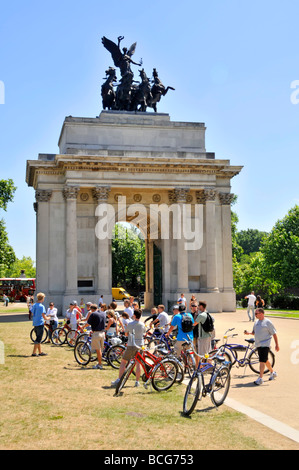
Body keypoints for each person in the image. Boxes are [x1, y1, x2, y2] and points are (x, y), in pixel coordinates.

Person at [244, 307, 279, 385]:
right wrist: (249, 333)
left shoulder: (268, 322)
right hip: (258, 344)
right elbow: (254, 332)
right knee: (265, 360)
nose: (255, 315)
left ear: (261, 314)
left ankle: (260, 378)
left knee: (262, 361)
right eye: (255, 313)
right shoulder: (256, 322)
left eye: (256, 313)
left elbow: (274, 333)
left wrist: (277, 344)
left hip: (265, 344)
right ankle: (273, 373)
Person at [111, 309, 145, 388]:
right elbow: (143, 333)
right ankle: (137, 381)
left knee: (123, 361)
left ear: (135, 315)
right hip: (140, 344)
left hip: (131, 344)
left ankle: (119, 379)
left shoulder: (130, 324)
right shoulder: (142, 324)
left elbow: (126, 334)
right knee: (138, 363)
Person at [81, 304, 106, 370]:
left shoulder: (93, 314)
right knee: (100, 349)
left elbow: (88, 323)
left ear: (91, 309)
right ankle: (99, 363)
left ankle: (100, 364)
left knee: (98, 350)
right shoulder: (103, 313)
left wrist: (83, 327)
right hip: (103, 333)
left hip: (96, 333)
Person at [31, 292, 51, 357]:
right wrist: (48, 318)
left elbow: (32, 314)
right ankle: (34, 353)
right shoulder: (42, 306)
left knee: (38, 337)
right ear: (42, 298)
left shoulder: (34, 305)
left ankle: (40, 352)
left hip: (35, 323)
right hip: (40, 323)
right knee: (38, 338)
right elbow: (44, 316)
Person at [194, 301, 212, 366]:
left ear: (201, 306)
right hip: (209, 335)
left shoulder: (201, 315)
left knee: (201, 353)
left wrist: (196, 314)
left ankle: (200, 367)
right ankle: (209, 365)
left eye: (198, 306)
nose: (198, 307)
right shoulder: (208, 314)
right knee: (208, 351)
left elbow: (194, 323)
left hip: (202, 336)